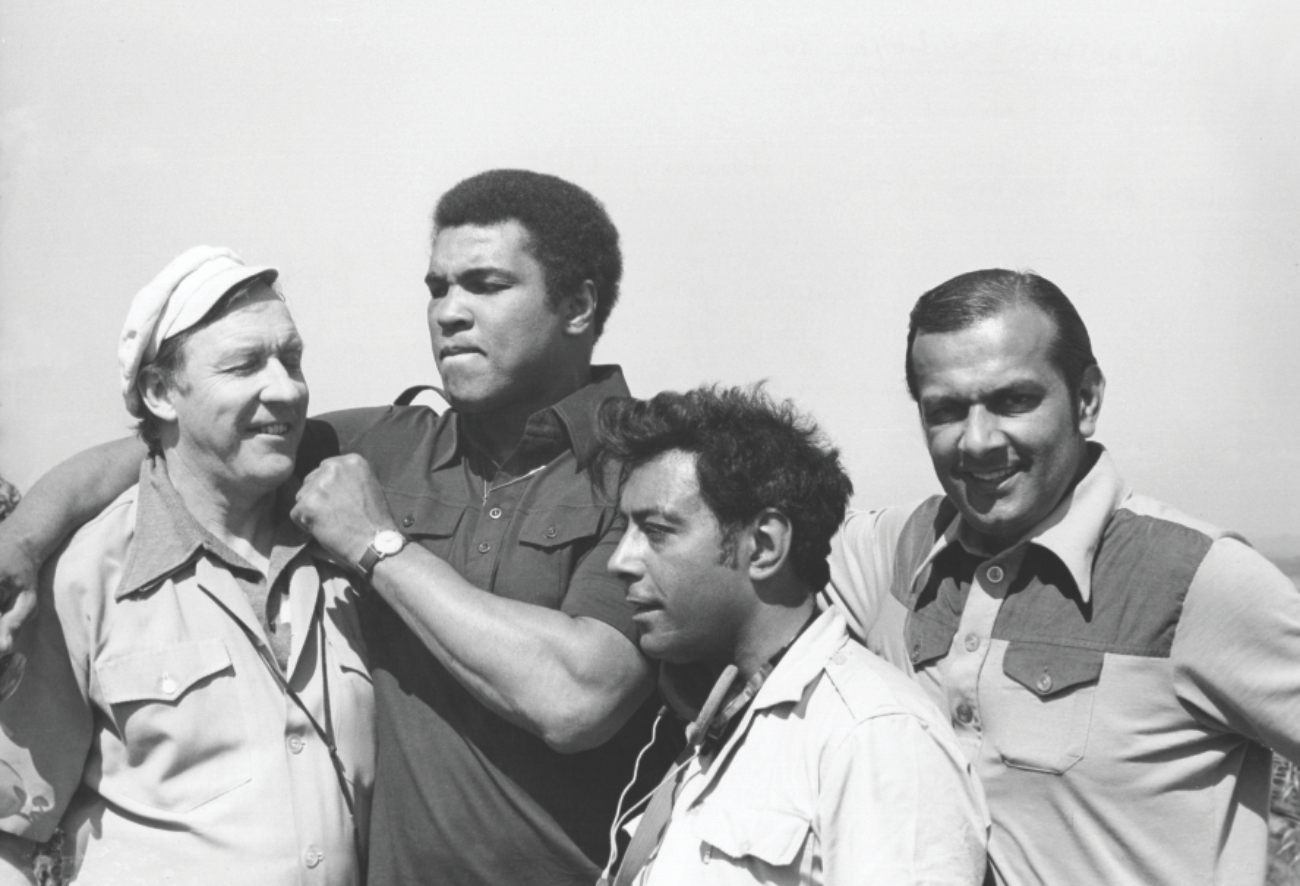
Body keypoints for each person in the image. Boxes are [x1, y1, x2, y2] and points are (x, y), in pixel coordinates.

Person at [0, 170, 660, 885]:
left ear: (579, 305)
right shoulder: (390, 444)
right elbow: (177, 443)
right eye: (438, 288)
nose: (449, 312)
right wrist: (21, 544)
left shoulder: (655, 471)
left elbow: (578, 699)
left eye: (486, 285)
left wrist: (379, 545)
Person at [822, 268, 1300, 886]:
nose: (978, 441)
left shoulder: (1197, 579)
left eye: (1013, 401)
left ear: (1087, 400)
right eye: (945, 410)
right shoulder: (898, 551)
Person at [0, 247, 374, 885]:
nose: (286, 389)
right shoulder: (79, 577)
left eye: (293, 359)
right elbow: (13, 839)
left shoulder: (348, 550)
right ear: (159, 392)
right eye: (245, 364)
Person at [596, 385, 989, 886]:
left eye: (655, 531)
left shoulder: (874, 735)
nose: (620, 561)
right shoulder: (714, 720)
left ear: (763, 546)